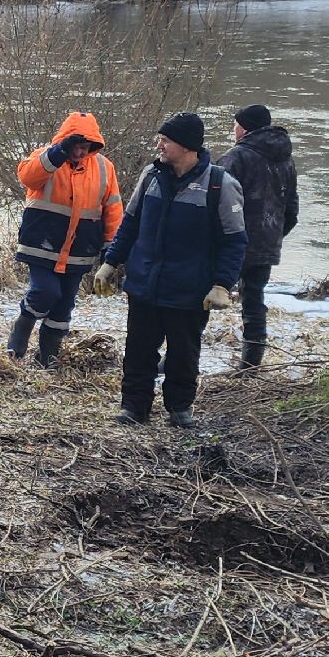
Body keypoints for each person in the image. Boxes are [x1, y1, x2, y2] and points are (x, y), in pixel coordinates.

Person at [93, 112, 246, 428]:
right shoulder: (151, 176)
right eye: (160, 139)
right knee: (138, 351)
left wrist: (222, 284)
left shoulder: (220, 185)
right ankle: (134, 409)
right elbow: (130, 223)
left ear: (187, 146)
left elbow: (235, 241)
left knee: (183, 353)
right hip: (145, 283)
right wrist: (111, 262)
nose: (159, 145)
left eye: (166, 140)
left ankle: (179, 409)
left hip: (189, 289)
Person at [7, 111, 124, 368]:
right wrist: (58, 152)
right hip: (41, 245)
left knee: (64, 305)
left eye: (85, 148)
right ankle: (23, 325)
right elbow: (28, 177)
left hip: (80, 251)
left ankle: (48, 356)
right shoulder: (45, 158)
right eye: (76, 147)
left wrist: (111, 249)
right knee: (45, 292)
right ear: (65, 142)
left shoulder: (105, 168)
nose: (80, 153)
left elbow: (113, 209)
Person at [214, 104, 299, 368]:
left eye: (236, 125)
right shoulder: (286, 158)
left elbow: (213, 198)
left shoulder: (236, 157)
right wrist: (274, 236)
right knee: (254, 301)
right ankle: (251, 364)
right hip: (267, 244)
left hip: (232, 243)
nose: (233, 130)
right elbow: (292, 209)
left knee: (202, 297)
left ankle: (179, 357)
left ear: (246, 127)